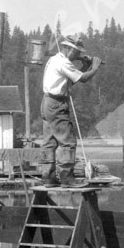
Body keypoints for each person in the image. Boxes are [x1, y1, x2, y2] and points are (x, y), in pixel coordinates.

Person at [39, 34, 102, 187]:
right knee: (67, 142)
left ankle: (48, 178)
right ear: (68, 48)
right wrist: (95, 67)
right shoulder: (63, 62)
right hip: (56, 104)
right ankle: (67, 178)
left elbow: (71, 80)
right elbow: (83, 79)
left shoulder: (55, 60)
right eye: (76, 52)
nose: (77, 55)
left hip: (47, 102)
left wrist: (85, 66)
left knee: (49, 142)